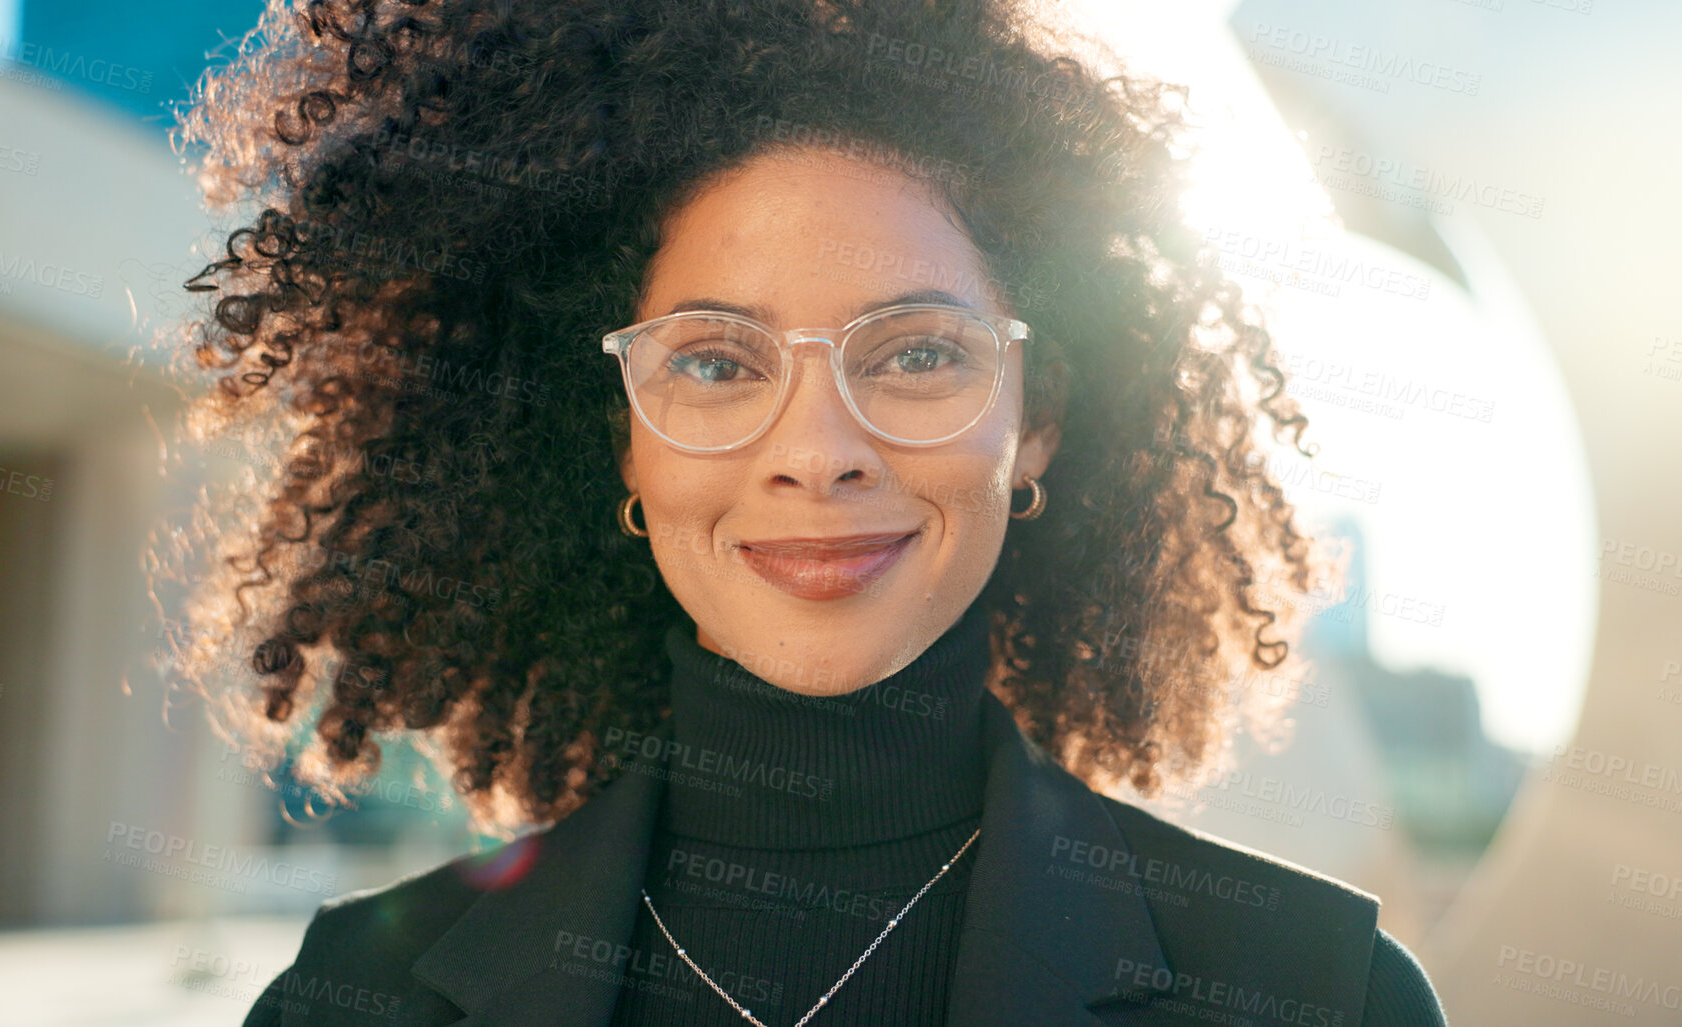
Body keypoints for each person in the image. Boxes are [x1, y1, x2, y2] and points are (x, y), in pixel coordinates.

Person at [162, 0, 1451, 1024]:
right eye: (717, 365)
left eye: (916, 355)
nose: (818, 454)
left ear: (1036, 415)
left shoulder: (1318, 997)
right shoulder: (359, 1003)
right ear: (620, 438)